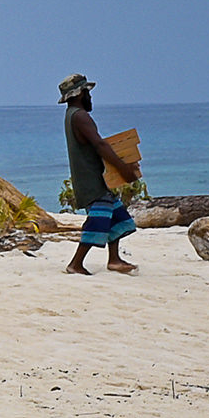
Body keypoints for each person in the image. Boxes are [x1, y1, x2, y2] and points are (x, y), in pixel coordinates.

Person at [59, 74, 139, 276]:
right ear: (79, 94)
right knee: (97, 221)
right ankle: (76, 264)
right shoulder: (80, 116)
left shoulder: (72, 115)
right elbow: (99, 144)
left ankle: (114, 259)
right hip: (91, 180)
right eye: (87, 92)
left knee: (116, 216)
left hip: (95, 178)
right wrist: (123, 167)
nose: (90, 97)